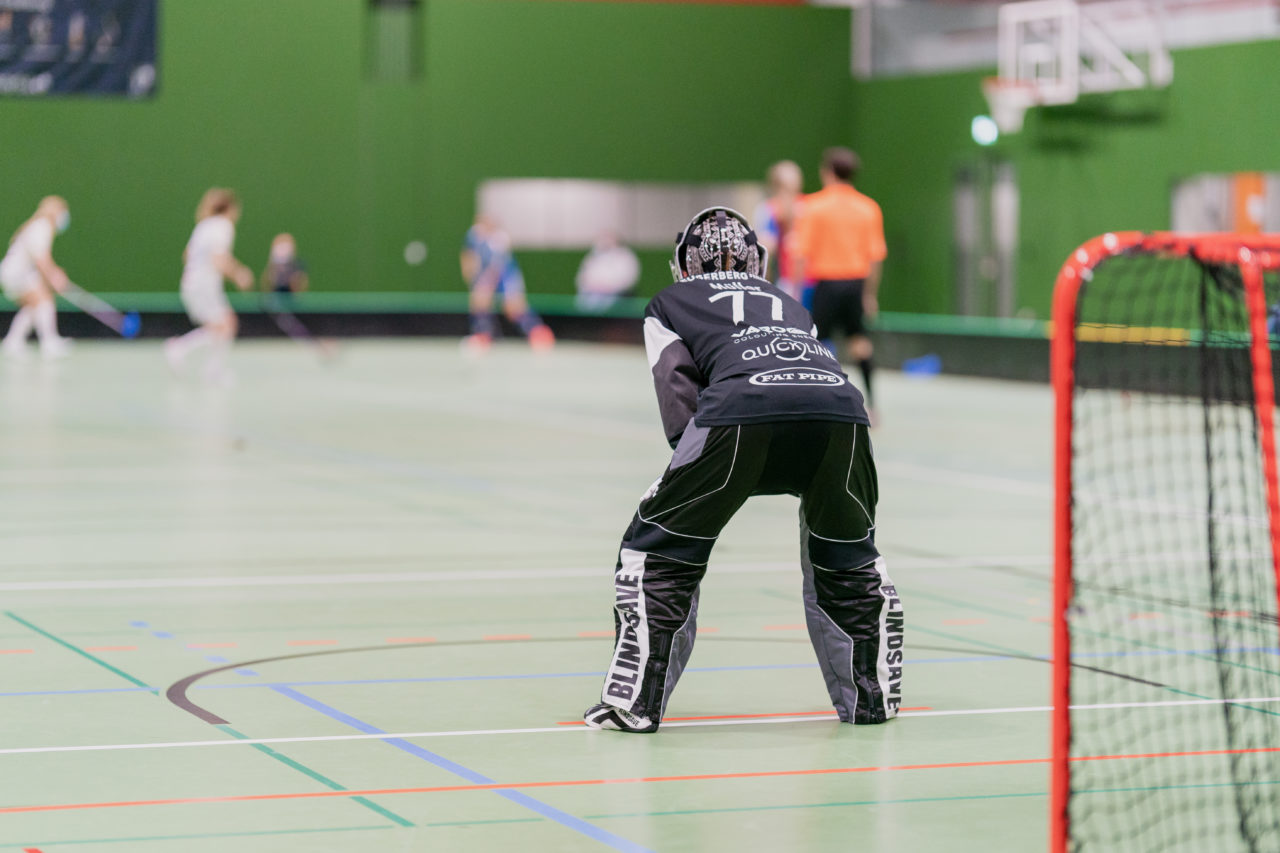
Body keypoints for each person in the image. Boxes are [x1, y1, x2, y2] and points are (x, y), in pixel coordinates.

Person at [582, 206, 902, 733]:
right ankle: (873, 701)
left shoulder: (668, 302)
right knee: (847, 554)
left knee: (655, 551)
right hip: (844, 414)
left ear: (684, 263)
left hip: (737, 415)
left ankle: (635, 703)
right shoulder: (791, 303)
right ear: (758, 260)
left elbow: (680, 400)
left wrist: (699, 486)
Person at [791, 147, 887, 414]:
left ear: (828, 172)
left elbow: (801, 254)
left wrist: (797, 293)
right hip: (855, 284)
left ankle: (820, 404)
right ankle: (872, 405)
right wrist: (869, 295)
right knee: (860, 343)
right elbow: (875, 258)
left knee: (818, 346)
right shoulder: (868, 208)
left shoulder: (812, 207)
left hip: (826, 284)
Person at [164, 188, 254, 383]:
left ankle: (212, 370)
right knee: (222, 326)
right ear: (230, 208)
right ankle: (179, 348)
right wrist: (240, 275)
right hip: (204, 286)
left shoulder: (204, 226)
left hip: (192, 283)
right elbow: (218, 259)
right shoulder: (223, 226)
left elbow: (187, 255)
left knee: (226, 324)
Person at [460, 215, 554, 351]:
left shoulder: (500, 239)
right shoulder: (473, 235)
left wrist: (486, 284)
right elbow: (468, 256)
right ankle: (482, 336)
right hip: (486, 274)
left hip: (506, 275)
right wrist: (471, 274)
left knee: (513, 308)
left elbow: (497, 267)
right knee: (479, 303)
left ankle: (539, 334)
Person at [1, 196, 73, 359]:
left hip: (20, 273)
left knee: (34, 306)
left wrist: (53, 275)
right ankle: (49, 343)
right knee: (44, 300)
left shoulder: (40, 226)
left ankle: (13, 341)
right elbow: (41, 259)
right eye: (63, 211)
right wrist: (54, 276)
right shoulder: (42, 227)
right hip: (15, 274)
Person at [753, 160, 806, 303]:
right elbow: (766, 248)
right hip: (786, 280)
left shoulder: (808, 206)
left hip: (810, 279)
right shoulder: (769, 210)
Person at [575, 231, 640, 313]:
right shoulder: (593, 256)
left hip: (615, 294)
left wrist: (608, 287)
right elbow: (582, 277)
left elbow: (628, 279)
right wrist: (593, 286)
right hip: (592, 293)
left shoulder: (626, 257)